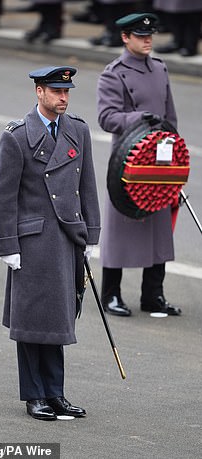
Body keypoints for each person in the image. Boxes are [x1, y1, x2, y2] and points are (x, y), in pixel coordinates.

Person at [0, 66, 101, 420]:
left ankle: (55, 393)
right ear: (39, 92)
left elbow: (88, 188)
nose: (63, 98)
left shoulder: (78, 131)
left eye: (67, 92)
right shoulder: (17, 136)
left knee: (58, 319)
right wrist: (8, 244)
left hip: (68, 238)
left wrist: (92, 234)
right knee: (32, 320)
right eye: (56, 92)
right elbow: (2, 197)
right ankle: (34, 395)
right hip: (33, 241)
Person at [96, 13, 182, 317]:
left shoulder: (160, 68)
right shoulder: (114, 73)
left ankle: (153, 295)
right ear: (125, 38)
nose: (147, 41)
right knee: (121, 228)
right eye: (140, 36)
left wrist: (176, 161)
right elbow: (107, 118)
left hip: (159, 157)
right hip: (127, 160)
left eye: (150, 36)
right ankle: (110, 294)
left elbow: (170, 117)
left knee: (159, 228)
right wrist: (138, 117)